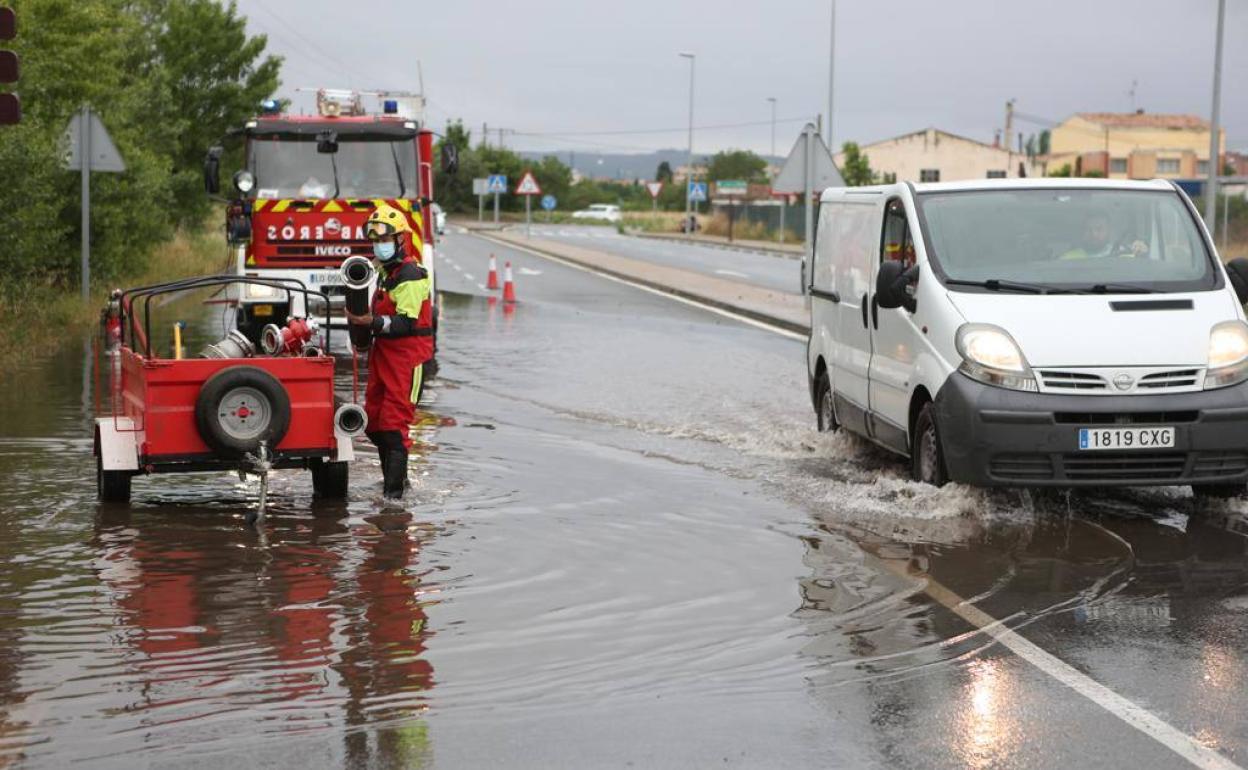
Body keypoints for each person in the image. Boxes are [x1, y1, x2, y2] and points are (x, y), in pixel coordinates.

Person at [345, 204, 433, 500]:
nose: (379, 245)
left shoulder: (410, 274)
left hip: (407, 359)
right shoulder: (386, 271)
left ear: (400, 240)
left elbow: (407, 323)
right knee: (373, 420)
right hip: (385, 356)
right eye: (375, 240)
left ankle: (393, 499)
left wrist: (371, 322)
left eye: (384, 240)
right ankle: (397, 483)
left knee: (394, 425)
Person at [1061, 210, 1147, 260]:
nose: (1094, 234)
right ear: (1082, 232)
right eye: (1088, 229)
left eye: (1099, 229)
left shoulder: (1124, 255)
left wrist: (1142, 254)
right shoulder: (1068, 258)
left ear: (1108, 231)